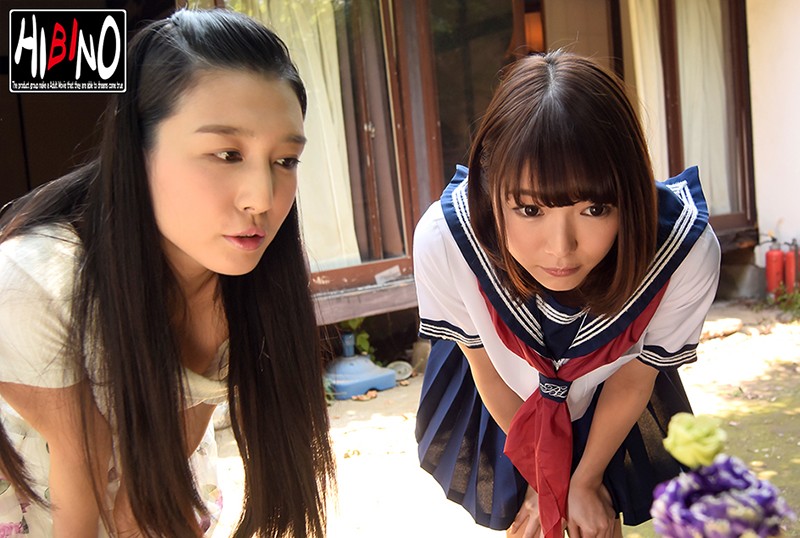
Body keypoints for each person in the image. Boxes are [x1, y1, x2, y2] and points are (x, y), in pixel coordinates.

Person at [0, 9, 334, 537]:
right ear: (138, 151)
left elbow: (147, 499)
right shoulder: (34, 282)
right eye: (227, 153)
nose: (262, 198)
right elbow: (82, 481)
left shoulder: (236, 280)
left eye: (285, 160)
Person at [413, 50, 720, 538]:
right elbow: (486, 368)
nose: (561, 248)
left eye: (595, 209)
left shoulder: (684, 250)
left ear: (631, 192)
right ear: (491, 191)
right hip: (507, 393)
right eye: (530, 210)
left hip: (611, 390)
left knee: (593, 519)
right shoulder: (447, 242)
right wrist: (546, 483)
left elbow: (634, 378)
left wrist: (586, 479)